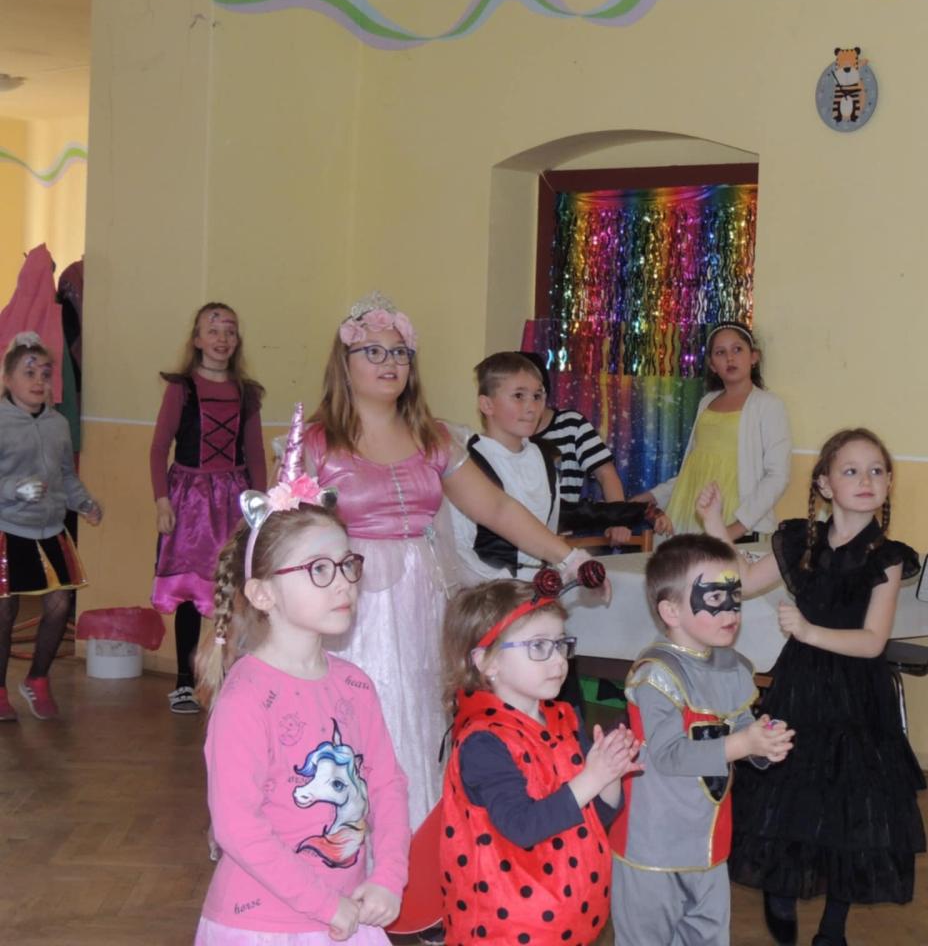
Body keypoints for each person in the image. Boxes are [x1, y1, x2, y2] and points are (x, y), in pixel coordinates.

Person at [303, 293, 604, 830]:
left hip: (420, 597)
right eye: (373, 352)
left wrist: (571, 555)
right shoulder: (317, 444)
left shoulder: (433, 437)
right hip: (350, 602)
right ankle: (353, 846)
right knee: (364, 714)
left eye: (400, 353)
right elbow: (285, 534)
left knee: (421, 715)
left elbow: (496, 508)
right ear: (344, 364)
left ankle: (417, 844)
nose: (390, 363)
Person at [698, 428, 926, 946]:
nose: (866, 480)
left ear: (889, 483)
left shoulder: (887, 558)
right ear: (825, 485)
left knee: (851, 809)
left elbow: (872, 642)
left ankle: (832, 931)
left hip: (858, 697)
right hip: (801, 688)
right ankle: (780, 890)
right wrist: (714, 523)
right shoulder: (803, 541)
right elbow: (742, 581)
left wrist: (808, 630)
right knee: (789, 789)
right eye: (851, 470)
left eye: (876, 471)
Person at [192, 474, 409, 945]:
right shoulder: (246, 698)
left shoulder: (355, 685)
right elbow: (237, 827)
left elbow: (387, 785)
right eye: (319, 569)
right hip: (262, 924)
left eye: (347, 565)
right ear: (263, 594)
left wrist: (389, 875)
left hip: (349, 914)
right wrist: (325, 904)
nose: (344, 583)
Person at [608, 534, 794, 946]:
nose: (730, 610)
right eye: (714, 598)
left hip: (707, 841)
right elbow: (669, 755)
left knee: (708, 936)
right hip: (653, 845)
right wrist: (742, 744)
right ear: (671, 611)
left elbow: (741, 722)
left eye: (735, 597)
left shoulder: (734, 666)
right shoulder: (656, 674)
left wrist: (764, 741)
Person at [436, 578, 640, 944]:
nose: (559, 660)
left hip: (571, 921)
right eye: (539, 646)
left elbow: (593, 818)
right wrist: (592, 778)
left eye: (561, 644)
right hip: (508, 930)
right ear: (487, 662)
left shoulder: (564, 718)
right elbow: (523, 826)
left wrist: (610, 774)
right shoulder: (483, 742)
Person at [150, 302, 266, 714]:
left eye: (230, 331)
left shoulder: (247, 394)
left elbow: (255, 454)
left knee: (233, 589)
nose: (222, 339)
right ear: (197, 340)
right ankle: (184, 680)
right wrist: (162, 500)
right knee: (188, 591)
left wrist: (260, 508)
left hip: (233, 498)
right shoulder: (181, 389)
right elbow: (159, 448)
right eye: (213, 331)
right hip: (190, 500)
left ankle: (227, 673)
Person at [0, 332, 102, 721]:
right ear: (7, 379)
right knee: (5, 611)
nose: (39, 381)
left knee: (60, 605)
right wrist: (13, 489)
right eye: (29, 373)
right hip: (7, 528)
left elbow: (65, 476)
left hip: (50, 530)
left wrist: (84, 502)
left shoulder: (58, 424)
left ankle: (37, 679)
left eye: (45, 373)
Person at [633, 322, 791, 539]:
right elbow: (694, 468)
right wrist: (652, 496)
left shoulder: (768, 405)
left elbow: (777, 476)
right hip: (689, 513)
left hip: (736, 521)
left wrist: (734, 529)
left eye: (737, 349)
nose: (730, 358)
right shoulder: (706, 402)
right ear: (712, 365)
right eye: (720, 352)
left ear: (754, 357)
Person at [444, 352, 563, 583]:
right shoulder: (467, 463)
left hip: (539, 585)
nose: (532, 407)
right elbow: (458, 547)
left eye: (537, 396)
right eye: (518, 396)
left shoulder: (544, 458)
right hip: (488, 588)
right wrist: (505, 586)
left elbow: (550, 531)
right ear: (487, 405)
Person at [520, 350, 634, 547]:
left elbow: (606, 474)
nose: (526, 405)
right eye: (517, 396)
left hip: (560, 536)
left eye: (535, 395)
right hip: (516, 535)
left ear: (544, 394)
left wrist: (617, 519)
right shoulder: (507, 433)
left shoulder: (571, 424)